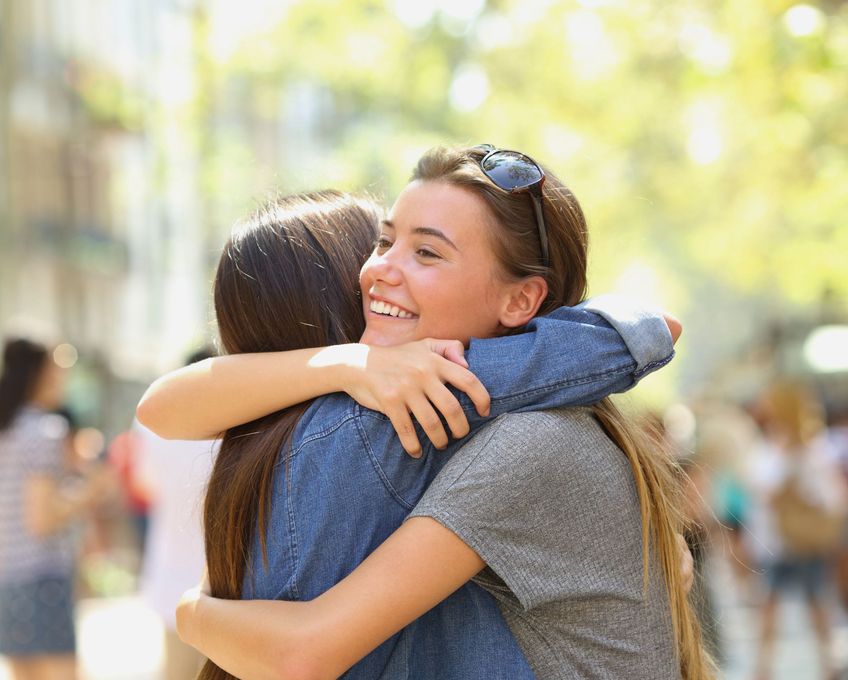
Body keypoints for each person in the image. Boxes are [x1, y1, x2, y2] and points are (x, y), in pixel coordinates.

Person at [160, 147, 709, 678]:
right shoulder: (426, 411)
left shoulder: (517, 437)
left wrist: (191, 611)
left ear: (520, 302)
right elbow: (162, 409)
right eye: (384, 242)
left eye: (427, 252)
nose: (380, 271)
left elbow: (302, 654)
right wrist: (349, 363)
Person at [0, 338, 109, 680]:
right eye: (57, 369)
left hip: (6, 573)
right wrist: (87, 490)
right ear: (39, 374)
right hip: (44, 573)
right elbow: (42, 519)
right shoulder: (44, 431)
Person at [745, 381, 845, 680]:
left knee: (812, 603)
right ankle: (765, 668)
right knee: (777, 605)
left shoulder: (808, 446)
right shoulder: (776, 443)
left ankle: (826, 664)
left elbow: (828, 496)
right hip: (777, 542)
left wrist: (791, 483)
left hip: (798, 541)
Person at [134, 347, 219, 680]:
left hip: (171, 575)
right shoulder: (239, 420)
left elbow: (144, 486)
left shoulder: (153, 423)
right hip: (229, 588)